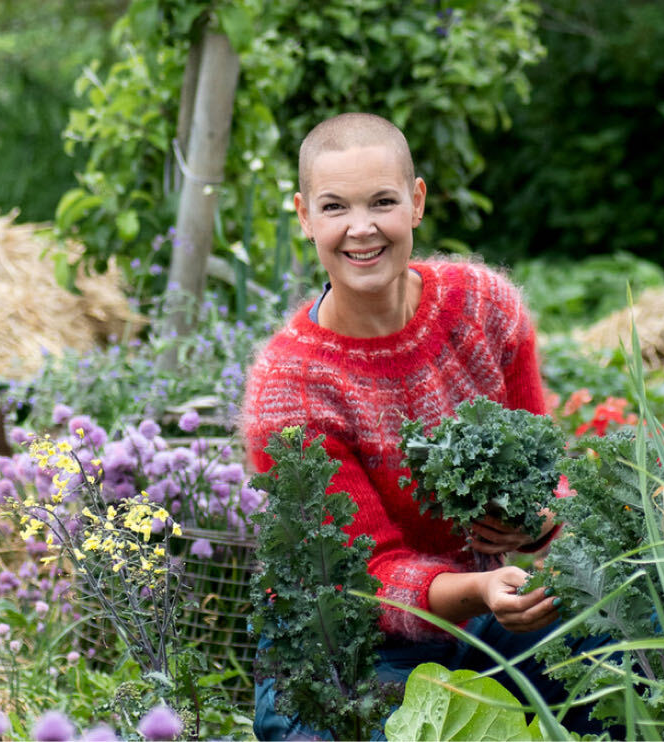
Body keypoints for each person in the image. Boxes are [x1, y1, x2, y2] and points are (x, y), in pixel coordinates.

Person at [242, 112, 604, 740]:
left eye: (382, 201)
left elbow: (547, 473)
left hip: (492, 611)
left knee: (630, 660)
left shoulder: (482, 308)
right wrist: (481, 588)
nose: (362, 228)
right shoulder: (289, 389)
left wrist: (538, 523)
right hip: (352, 639)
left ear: (416, 202)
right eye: (335, 207)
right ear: (304, 216)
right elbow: (366, 576)